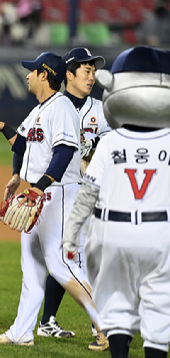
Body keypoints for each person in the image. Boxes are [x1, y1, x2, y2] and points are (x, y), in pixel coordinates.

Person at [0, 52, 108, 351]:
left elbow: (63, 152)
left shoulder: (60, 107)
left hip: (58, 194)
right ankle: (22, 331)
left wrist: (40, 187)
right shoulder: (40, 109)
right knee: (32, 267)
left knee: (61, 267)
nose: (28, 75)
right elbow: (25, 143)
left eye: (32, 70)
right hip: (40, 193)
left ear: (45, 75)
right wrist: (4, 128)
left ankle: (107, 324)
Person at [63, 46, 170, 358]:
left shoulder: (110, 141)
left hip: (115, 233)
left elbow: (88, 193)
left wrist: (71, 233)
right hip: (160, 233)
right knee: (158, 308)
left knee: (118, 307)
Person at [38, 47, 111, 340]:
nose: (92, 77)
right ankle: (100, 324)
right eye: (86, 71)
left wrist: (90, 155)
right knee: (73, 257)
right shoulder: (53, 106)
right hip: (63, 193)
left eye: (94, 72)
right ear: (69, 74)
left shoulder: (100, 109)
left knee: (69, 257)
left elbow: (108, 145)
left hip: (92, 192)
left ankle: (47, 321)